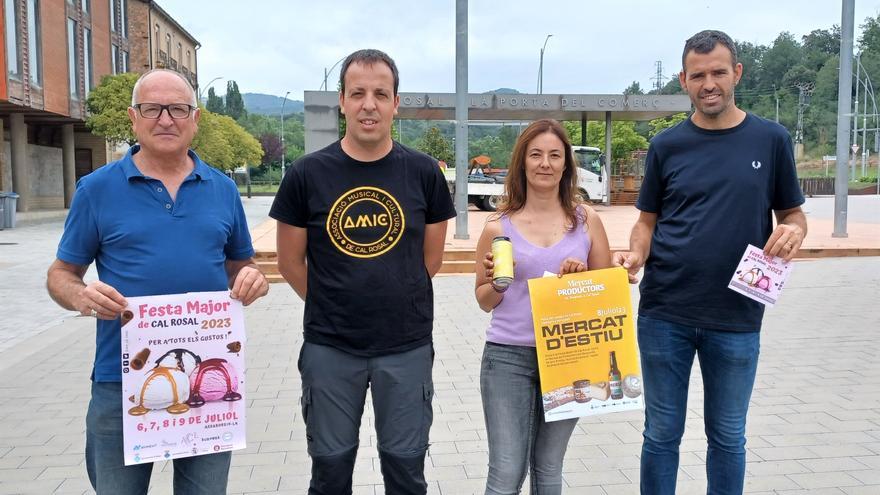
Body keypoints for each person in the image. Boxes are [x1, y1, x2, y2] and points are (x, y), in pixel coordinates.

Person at [46, 69, 269, 494]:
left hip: (207, 378)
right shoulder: (95, 190)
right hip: (121, 381)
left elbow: (240, 264)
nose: (165, 119)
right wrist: (80, 294)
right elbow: (61, 274)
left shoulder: (222, 190)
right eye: (153, 108)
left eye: (178, 109)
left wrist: (251, 279)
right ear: (134, 117)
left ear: (195, 118)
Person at [613, 30, 808, 495]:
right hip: (664, 314)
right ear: (684, 80)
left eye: (718, 72)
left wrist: (796, 232)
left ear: (737, 72)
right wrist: (636, 252)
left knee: (728, 437)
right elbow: (647, 222)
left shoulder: (771, 139)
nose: (709, 84)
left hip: (738, 315)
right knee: (661, 436)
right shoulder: (667, 145)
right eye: (698, 75)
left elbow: (793, 214)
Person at [270, 49, 456, 494]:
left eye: (380, 94)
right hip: (330, 348)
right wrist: (335, 303)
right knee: (330, 474)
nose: (368, 104)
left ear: (396, 103)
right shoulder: (306, 173)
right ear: (342, 101)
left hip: (406, 347)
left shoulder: (424, 172)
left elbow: (430, 260)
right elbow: (289, 262)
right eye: (358, 93)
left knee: (406, 473)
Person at [474, 119, 613, 495]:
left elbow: (607, 293)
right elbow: (484, 300)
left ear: (567, 164)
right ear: (522, 162)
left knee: (549, 469)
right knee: (505, 472)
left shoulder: (587, 220)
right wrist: (499, 283)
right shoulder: (497, 227)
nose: (545, 163)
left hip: (572, 355)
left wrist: (578, 281)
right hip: (507, 358)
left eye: (555, 155)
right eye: (536, 155)